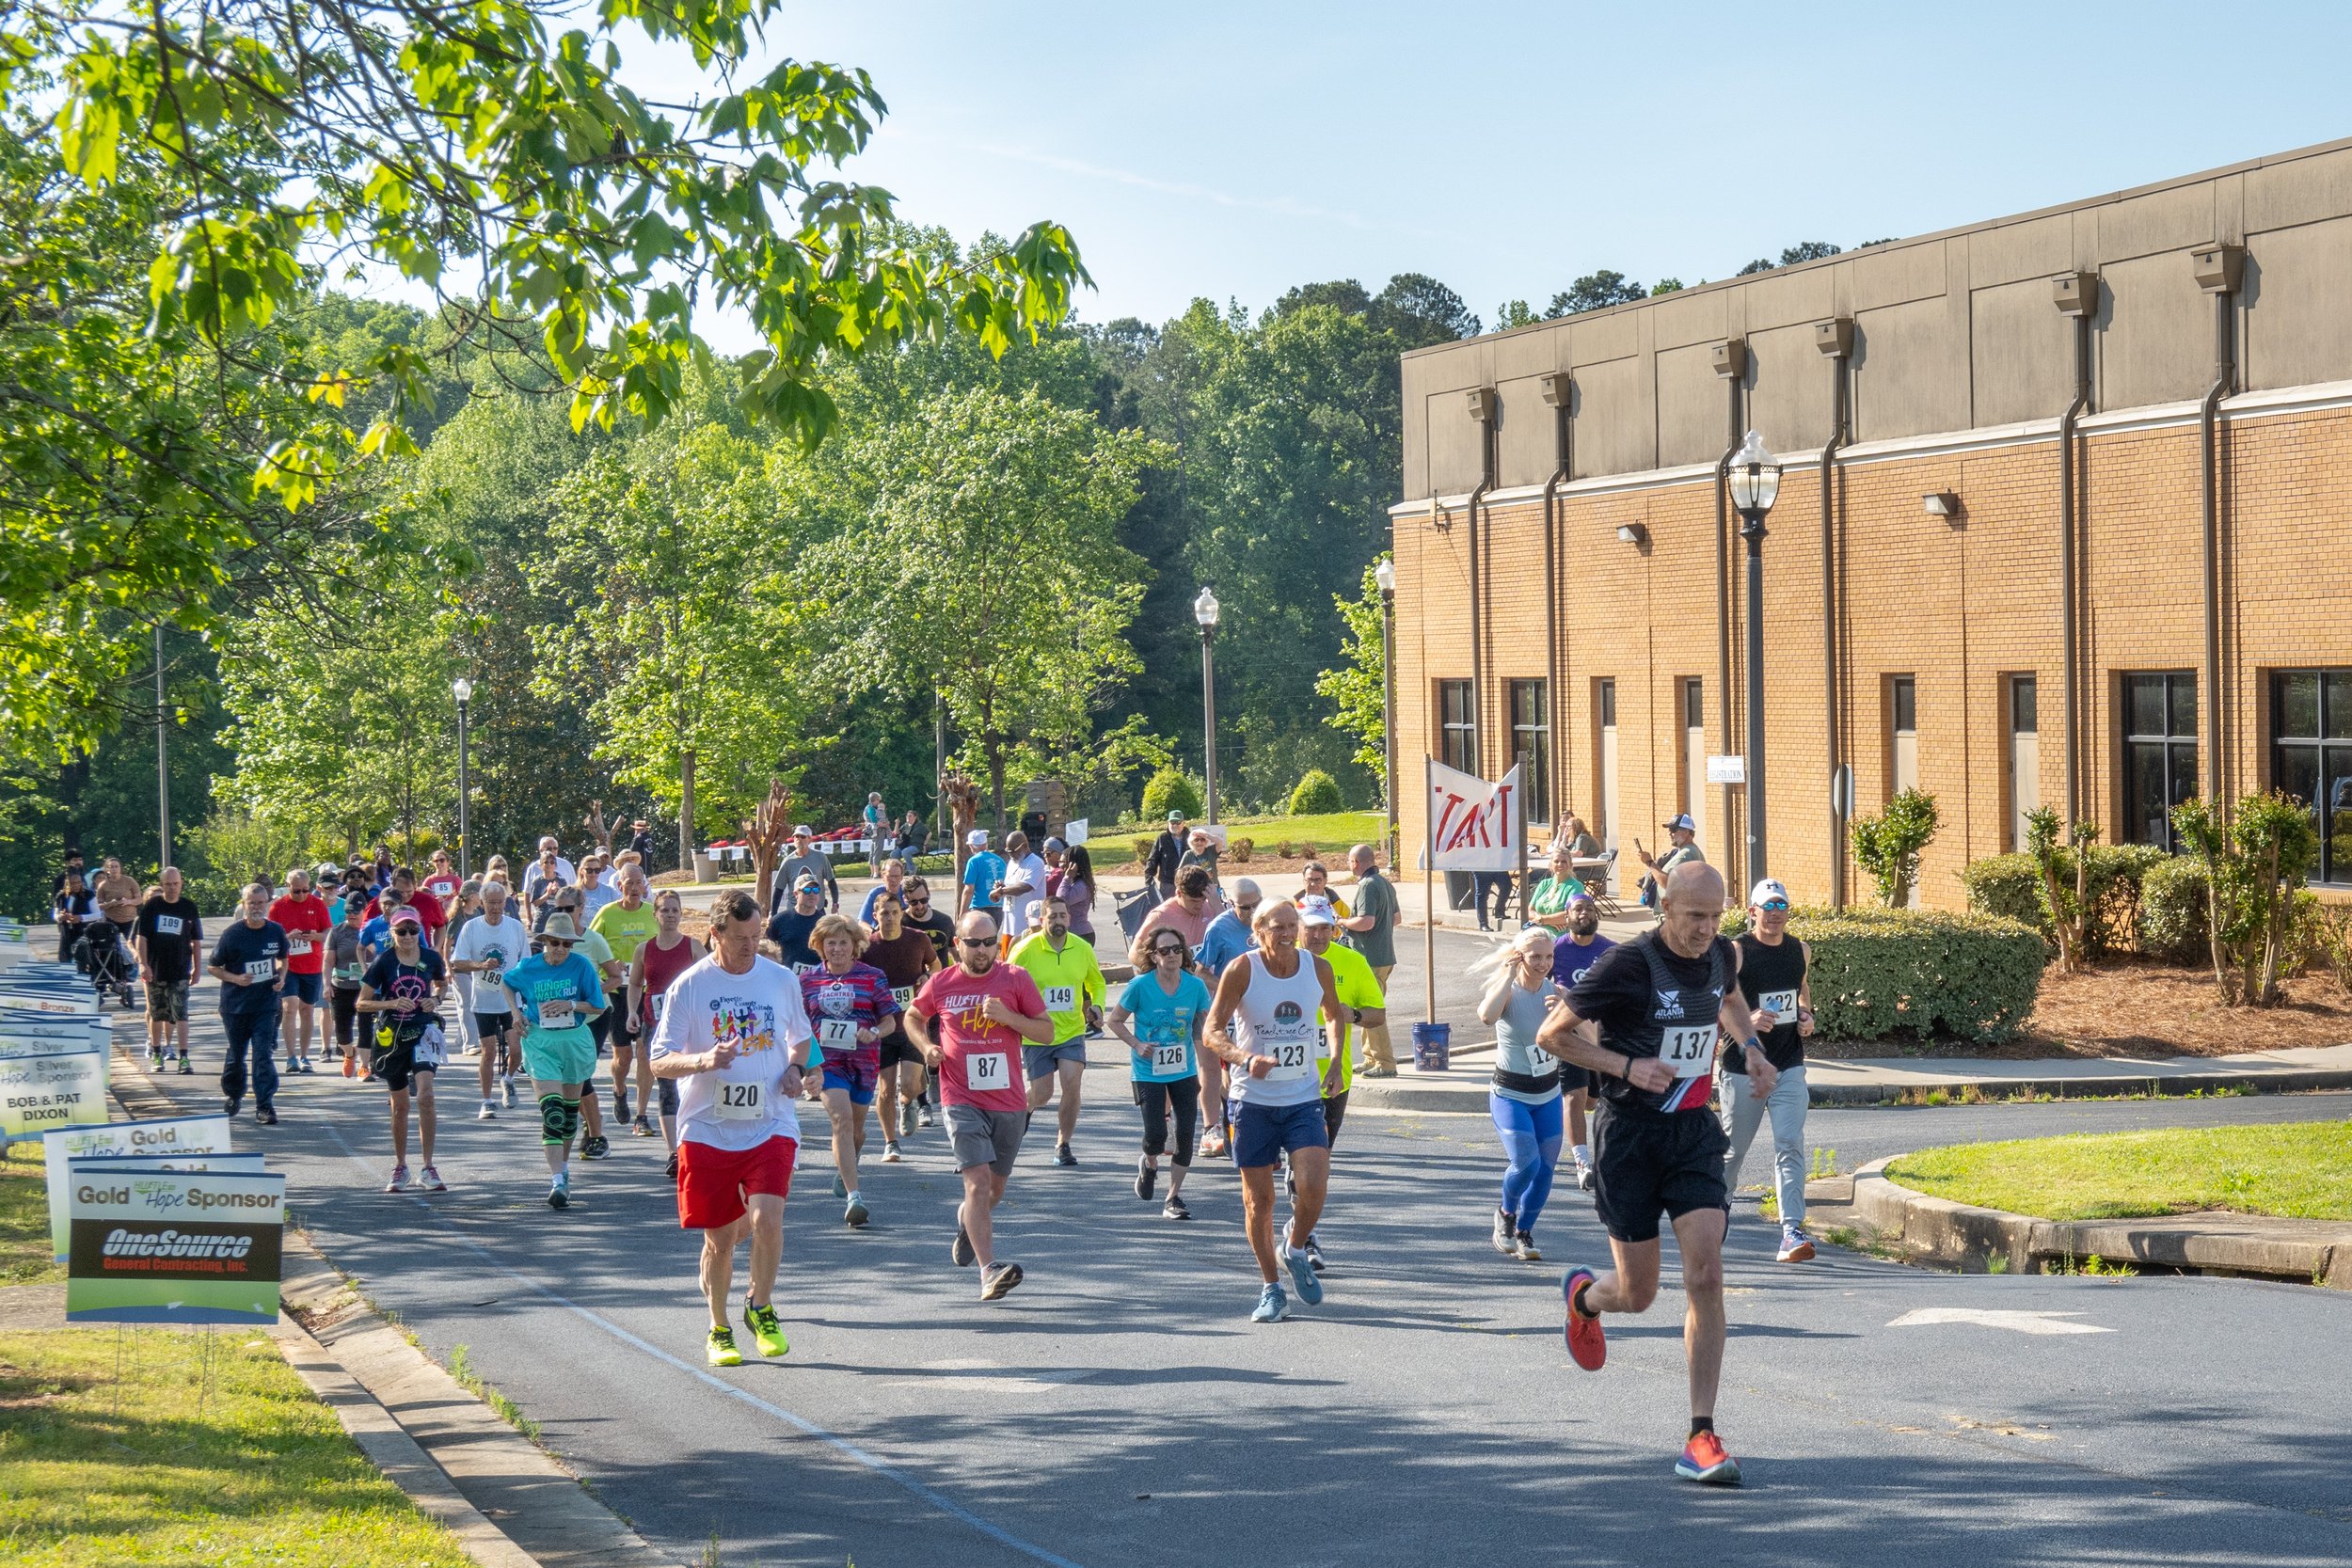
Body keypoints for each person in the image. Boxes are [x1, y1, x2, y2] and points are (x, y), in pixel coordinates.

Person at [1538, 862, 1775, 1487]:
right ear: (1664, 906)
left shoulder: (1724, 954)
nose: (1705, 928)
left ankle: (1701, 1433)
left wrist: (1751, 1048)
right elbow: (1552, 1034)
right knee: (1638, 1294)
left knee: (1706, 1271)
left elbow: (1727, 998)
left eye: (1715, 915)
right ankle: (1585, 1298)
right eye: (1693, 915)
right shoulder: (1629, 966)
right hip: (1629, 1140)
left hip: (1693, 1133)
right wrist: (1623, 1065)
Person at [650, 888, 814, 1367]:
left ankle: (760, 1306)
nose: (751, 946)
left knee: (767, 1220)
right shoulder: (691, 986)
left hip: (770, 1123)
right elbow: (660, 1060)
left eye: (756, 936)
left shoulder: (781, 980)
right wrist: (704, 1059)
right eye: (741, 938)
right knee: (720, 1240)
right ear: (716, 934)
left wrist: (795, 1071)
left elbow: (800, 1041)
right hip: (707, 1127)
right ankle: (718, 1327)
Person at [904, 911, 1056, 1302]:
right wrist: (927, 1047)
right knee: (978, 1183)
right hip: (960, 1098)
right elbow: (914, 1017)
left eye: (990, 942)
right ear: (958, 945)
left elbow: (1046, 1030)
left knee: (994, 1193)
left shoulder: (1015, 979)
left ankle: (965, 1223)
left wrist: (1009, 1017)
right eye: (974, 943)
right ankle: (989, 1272)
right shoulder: (942, 982)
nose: (984, 950)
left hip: (1008, 1101)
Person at [1205, 900, 1344, 1323]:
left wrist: (1336, 1061)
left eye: (1292, 925)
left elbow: (1334, 1014)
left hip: (1302, 1098)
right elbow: (1212, 1031)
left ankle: (1296, 1247)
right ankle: (1271, 1288)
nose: (1287, 933)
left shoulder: (1316, 968)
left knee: (1314, 1187)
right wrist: (1244, 1058)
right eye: (1277, 926)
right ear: (1258, 929)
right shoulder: (1242, 970)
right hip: (1252, 1102)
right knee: (1258, 1202)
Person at [1724, 879, 1818, 1265]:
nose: (1776, 913)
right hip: (1742, 1066)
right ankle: (1715, 1214)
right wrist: (1749, 1018)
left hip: (1788, 1064)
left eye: (1782, 905)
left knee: (1790, 1145)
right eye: (1768, 906)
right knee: (1732, 1150)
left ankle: (1791, 1231)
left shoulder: (1800, 950)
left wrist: (1807, 1015)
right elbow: (1717, 1003)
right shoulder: (1737, 952)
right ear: (1752, 912)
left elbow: (1802, 991)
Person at [1296, 895, 1382, 1271]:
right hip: (1286, 1080)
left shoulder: (1352, 961)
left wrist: (1355, 1014)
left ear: (1333, 928)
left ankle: (1302, 1230)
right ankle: (1306, 1238)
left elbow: (1378, 1014)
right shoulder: (1278, 962)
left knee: (1317, 1166)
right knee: (1301, 1167)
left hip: (1334, 1080)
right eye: (1310, 928)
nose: (1317, 935)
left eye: (1324, 928)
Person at [502, 912, 608, 1209]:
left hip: (573, 1041)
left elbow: (598, 1006)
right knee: (553, 1113)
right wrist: (516, 1013)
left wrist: (572, 1004)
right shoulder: (530, 967)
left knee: (570, 1115)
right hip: (540, 1042)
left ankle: (563, 1167)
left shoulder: (582, 966)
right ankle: (557, 1180)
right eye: (555, 943)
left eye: (566, 944)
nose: (560, 949)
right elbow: (507, 983)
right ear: (545, 942)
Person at [1106, 923, 1211, 1220]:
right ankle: (1149, 1163)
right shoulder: (1140, 985)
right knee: (1155, 1136)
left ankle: (1173, 1197)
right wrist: (1137, 1044)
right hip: (1147, 1071)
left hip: (1183, 1069)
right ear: (1153, 956)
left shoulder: (1194, 986)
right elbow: (1114, 1021)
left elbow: (1204, 1025)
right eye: (1165, 950)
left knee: (1186, 1133)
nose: (1172, 955)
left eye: (1177, 949)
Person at [800, 913, 898, 1227]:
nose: (838, 949)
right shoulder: (807, 981)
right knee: (840, 1120)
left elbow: (889, 1020)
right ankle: (855, 1197)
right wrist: (802, 1067)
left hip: (864, 1061)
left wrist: (876, 1033)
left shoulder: (873, 976)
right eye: (831, 943)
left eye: (844, 942)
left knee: (855, 1129)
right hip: (826, 1063)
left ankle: (847, 1167)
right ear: (820, 946)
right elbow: (797, 1027)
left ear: (855, 946)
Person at [1479, 926, 1565, 1261]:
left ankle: (1525, 1233)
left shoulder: (1556, 993)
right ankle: (1505, 1215)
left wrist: (1565, 1008)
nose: (1543, 963)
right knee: (1525, 1162)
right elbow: (1487, 1016)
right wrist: (1508, 973)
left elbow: (1590, 1037)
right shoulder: (1508, 991)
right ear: (1520, 957)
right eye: (1535, 957)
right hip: (1511, 1093)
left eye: (1548, 956)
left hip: (1548, 1093)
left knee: (1545, 1169)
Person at [357, 906, 453, 1192]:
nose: (408, 936)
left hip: (424, 1032)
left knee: (427, 1096)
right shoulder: (383, 962)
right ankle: (400, 1167)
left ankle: (428, 1167)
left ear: (420, 930)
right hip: (393, 1038)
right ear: (393, 933)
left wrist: (435, 1000)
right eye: (402, 931)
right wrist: (390, 1003)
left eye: (413, 930)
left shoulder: (432, 958)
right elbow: (361, 1003)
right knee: (400, 1106)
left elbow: (442, 985)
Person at [1009, 895, 1106, 1167]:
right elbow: (1006, 983)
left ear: (1070, 918)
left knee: (1071, 1082)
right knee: (1042, 1093)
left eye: (1063, 916)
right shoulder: (1025, 950)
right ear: (1042, 921)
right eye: (1052, 917)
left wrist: (1097, 1007)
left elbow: (1096, 983)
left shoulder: (1082, 948)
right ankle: (1021, 1115)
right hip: (1036, 1032)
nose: (1059, 921)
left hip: (1071, 1032)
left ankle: (1063, 1144)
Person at [862, 889, 939, 1159]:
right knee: (884, 1089)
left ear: (901, 914)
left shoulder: (917, 940)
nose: (891, 918)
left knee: (908, 1086)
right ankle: (890, 1142)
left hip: (912, 1025)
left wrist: (927, 978)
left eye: (895, 912)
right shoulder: (868, 947)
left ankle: (909, 1099)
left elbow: (937, 967)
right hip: (882, 1027)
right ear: (876, 916)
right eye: (885, 913)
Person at [1549, 894, 1616, 1192]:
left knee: (1593, 1099)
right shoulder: (1555, 950)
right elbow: (1536, 980)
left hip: (1602, 1036)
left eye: (1589, 908)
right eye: (1578, 909)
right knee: (1574, 1096)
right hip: (1569, 1036)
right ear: (1567, 916)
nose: (1585, 913)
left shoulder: (1611, 951)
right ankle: (1583, 1163)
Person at [206, 882, 289, 1125]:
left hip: (266, 1004)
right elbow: (213, 967)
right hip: (236, 1006)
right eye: (252, 903)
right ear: (243, 905)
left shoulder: (275, 931)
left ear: (267, 903)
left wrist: (281, 978)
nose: (257, 907)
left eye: (261, 902)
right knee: (237, 1055)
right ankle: (234, 1094)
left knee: (263, 1054)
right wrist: (235, 978)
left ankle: (265, 1106)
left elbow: (283, 960)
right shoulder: (232, 934)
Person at [1187, 875, 1259, 1156]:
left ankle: (1254, 1133)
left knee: (1258, 1073)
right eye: (1245, 908)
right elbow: (1201, 970)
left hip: (1260, 1011)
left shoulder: (1266, 922)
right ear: (1232, 904)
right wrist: (1231, 989)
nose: (1252, 913)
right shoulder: (1219, 928)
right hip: (1231, 1013)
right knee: (1233, 1075)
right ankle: (1232, 1129)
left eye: (1256, 905)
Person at [630, 889, 703, 1159]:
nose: (670, 915)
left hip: (688, 1025)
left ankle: (692, 1143)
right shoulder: (644, 949)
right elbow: (636, 984)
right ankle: (674, 1152)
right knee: (666, 1085)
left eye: (674, 910)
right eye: (665, 910)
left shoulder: (693, 946)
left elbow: (709, 981)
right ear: (655, 915)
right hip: (654, 1023)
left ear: (681, 914)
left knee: (691, 1084)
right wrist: (631, 1012)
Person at [452, 879, 528, 1118]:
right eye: (491, 903)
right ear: (481, 903)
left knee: (517, 1049)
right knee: (488, 1051)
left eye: (499, 902)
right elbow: (457, 963)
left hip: (510, 999)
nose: (495, 908)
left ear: (506, 902)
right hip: (483, 999)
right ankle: (486, 1101)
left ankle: (508, 1078)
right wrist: (481, 965)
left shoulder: (515, 927)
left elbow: (525, 962)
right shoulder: (471, 928)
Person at [593, 867, 660, 1132]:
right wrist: (610, 965)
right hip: (618, 991)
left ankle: (641, 1116)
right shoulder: (607, 914)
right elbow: (591, 946)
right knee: (624, 1057)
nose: (634, 888)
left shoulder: (651, 912)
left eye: (638, 883)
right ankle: (619, 1089)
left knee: (645, 1050)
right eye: (628, 883)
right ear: (619, 885)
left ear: (644, 886)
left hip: (647, 989)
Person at [1340, 844, 1401, 1076]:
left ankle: (1385, 1062)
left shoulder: (1367, 885)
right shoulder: (1385, 883)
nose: (1349, 865)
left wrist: (1343, 922)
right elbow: (1396, 918)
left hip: (1371, 958)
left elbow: (1366, 922)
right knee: (1366, 1008)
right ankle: (1370, 1057)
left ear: (1356, 862)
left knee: (1373, 1012)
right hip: (1384, 956)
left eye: (1349, 861)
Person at [135, 867, 202, 1073]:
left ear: (181, 883)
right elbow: (141, 938)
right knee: (157, 1014)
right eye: (168, 884)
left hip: (180, 969)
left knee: (181, 1014)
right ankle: (157, 1053)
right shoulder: (152, 907)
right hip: (156, 969)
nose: (172, 888)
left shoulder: (189, 907)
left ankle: (184, 1057)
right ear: (162, 885)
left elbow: (196, 941)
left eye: (175, 884)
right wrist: (143, 964)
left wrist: (197, 969)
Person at [270, 867, 334, 1075]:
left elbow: (328, 933)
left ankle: (305, 1056)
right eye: (296, 891)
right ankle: (291, 1057)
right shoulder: (278, 907)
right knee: (289, 1007)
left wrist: (314, 936)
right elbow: (270, 937)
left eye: (305, 890)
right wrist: (288, 937)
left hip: (312, 965)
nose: (301, 895)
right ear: (288, 887)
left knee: (307, 1010)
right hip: (288, 966)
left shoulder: (317, 905)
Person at [326, 895, 369, 1078]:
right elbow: (328, 962)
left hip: (366, 988)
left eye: (355, 911)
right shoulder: (336, 932)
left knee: (366, 1027)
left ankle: (364, 1066)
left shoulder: (370, 929)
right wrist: (326, 985)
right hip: (342, 986)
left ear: (364, 911)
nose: (351, 915)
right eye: (348, 911)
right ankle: (349, 1053)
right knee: (342, 1033)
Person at [92, 856, 143, 1001]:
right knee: (112, 950)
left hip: (129, 920)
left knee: (132, 948)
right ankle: (112, 978)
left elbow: (139, 899)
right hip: (111, 920)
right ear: (107, 870)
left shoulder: (129, 881)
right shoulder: (103, 885)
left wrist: (128, 902)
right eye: (111, 867)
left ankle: (129, 976)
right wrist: (111, 904)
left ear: (120, 868)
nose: (114, 869)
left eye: (116, 866)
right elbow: (99, 905)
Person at [1634, 814, 1707, 909]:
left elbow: (1668, 883)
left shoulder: (1686, 854)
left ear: (1686, 832)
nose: (1669, 833)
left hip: (1673, 916)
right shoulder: (1685, 851)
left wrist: (1650, 862)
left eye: (1673, 830)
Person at [765, 878, 826, 972]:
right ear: (796, 894)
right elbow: (766, 951)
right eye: (806, 890)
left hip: (816, 979)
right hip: (787, 977)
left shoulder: (825, 922)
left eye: (815, 890)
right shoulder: (779, 920)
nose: (812, 894)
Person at [775, 825, 839, 915]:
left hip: (817, 910)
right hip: (795, 911)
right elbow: (779, 889)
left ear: (810, 840)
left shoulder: (820, 858)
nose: (799, 839)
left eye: (803, 836)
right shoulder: (788, 861)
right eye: (796, 836)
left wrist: (835, 902)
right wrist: (773, 913)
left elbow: (831, 881)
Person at [1525, 844, 1590, 932]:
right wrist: (1545, 921)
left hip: (1559, 936)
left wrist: (1541, 920)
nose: (1560, 864)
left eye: (1564, 861)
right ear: (1551, 865)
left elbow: (1570, 914)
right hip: (1537, 932)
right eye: (1556, 861)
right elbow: (1529, 911)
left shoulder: (1575, 886)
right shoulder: (1544, 884)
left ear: (1570, 865)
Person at [998, 831, 1047, 942]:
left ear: (1024, 846)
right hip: (1009, 923)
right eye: (1008, 851)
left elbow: (1023, 888)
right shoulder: (1012, 863)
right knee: (1008, 958)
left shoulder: (1036, 862)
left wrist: (1001, 891)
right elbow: (1010, 886)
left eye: (1013, 851)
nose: (1010, 855)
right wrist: (1001, 887)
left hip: (1027, 926)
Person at [1046, 844, 1097, 947]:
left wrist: (1067, 877)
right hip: (1073, 933)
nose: (1060, 866)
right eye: (1059, 862)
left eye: (1063, 862)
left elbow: (1060, 901)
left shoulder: (1081, 886)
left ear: (1074, 865)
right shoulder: (1074, 883)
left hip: (1081, 934)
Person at [957, 829, 1006, 924]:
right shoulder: (1000, 860)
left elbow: (969, 890)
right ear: (986, 844)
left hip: (979, 907)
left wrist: (962, 913)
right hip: (998, 907)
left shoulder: (974, 861)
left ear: (971, 846)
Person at [50, 847, 87, 962]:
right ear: (67, 863)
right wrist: (60, 915)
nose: (78, 862)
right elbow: (57, 900)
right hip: (66, 919)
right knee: (67, 948)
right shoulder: (60, 879)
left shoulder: (84, 877)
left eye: (80, 859)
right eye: (75, 860)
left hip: (82, 920)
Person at [1142, 810, 1187, 905]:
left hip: (1187, 882)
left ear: (1183, 823)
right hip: (1167, 884)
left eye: (1178, 822)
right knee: (1168, 912)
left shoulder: (1192, 837)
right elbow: (1152, 860)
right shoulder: (1162, 838)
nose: (1174, 825)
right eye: (1172, 822)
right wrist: (1149, 881)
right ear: (1168, 823)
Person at [856, 856, 910, 929]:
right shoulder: (875, 894)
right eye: (890, 876)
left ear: (902, 877)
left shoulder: (908, 892)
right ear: (882, 876)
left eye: (897, 876)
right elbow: (862, 923)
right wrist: (874, 933)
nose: (894, 880)